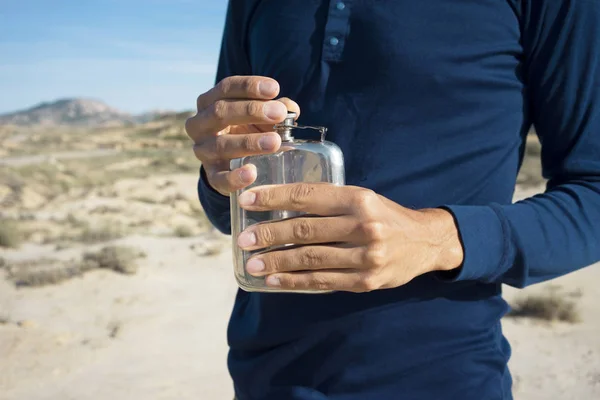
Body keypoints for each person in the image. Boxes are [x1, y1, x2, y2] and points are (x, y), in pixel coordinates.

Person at [185, 1, 600, 399]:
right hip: (260, 378)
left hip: (442, 378)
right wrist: (219, 177)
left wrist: (438, 238)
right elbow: (228, 206)